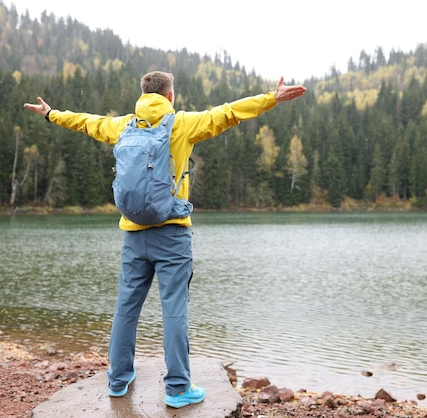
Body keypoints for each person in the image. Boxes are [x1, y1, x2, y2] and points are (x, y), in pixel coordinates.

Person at [23, 71, 307, 408]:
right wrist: (270, 99)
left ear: (142, 94)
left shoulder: (123, 126)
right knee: (174, 309)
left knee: (126, 308)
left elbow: (88, 123)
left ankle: (118, 380)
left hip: (133, 233)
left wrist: (53, 114)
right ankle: (177, 389)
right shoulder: (181, 124)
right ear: (170, 96)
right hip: (172, 231)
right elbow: (229, 112)